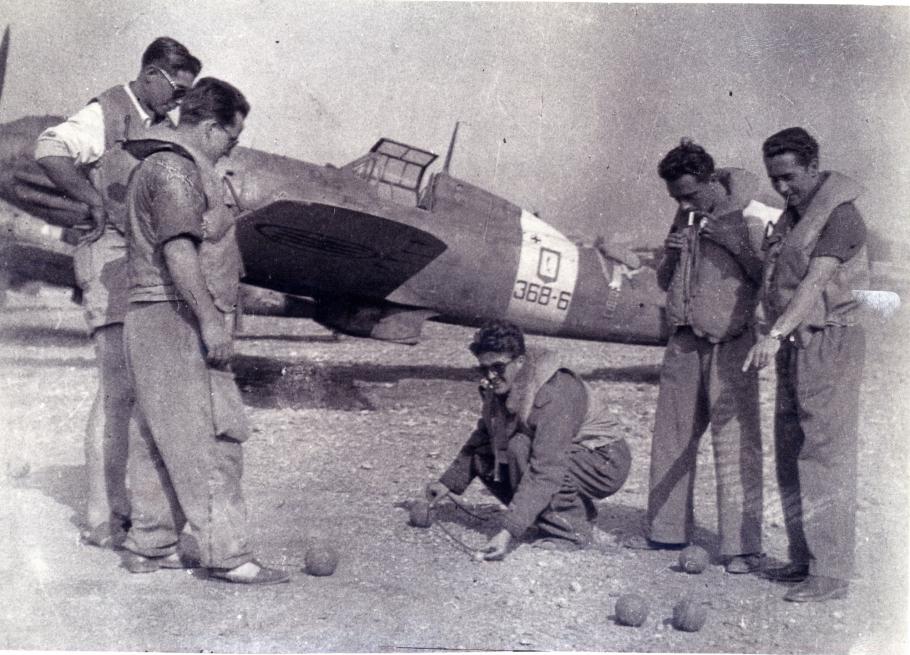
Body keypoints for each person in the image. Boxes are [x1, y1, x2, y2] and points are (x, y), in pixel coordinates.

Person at [118, 77, 287, 584]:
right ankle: (228, 556)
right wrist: (211, 321)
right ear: (212, 127)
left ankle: (150, 545)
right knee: (213, 438)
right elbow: (179, 251)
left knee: (155, 435)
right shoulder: (174, 169)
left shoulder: (156, 165)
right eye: (231, 138)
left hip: (150, 318)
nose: (232, 147)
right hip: (176, 318)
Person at [34, 38, 202, 548]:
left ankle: (125, 505)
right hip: (107, 260)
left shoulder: (158, 124)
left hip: (140, 266)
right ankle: (101, 516)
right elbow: (49, 149)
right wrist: (91, 200)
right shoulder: (105, 111)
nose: (178, 101)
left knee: (136, 392)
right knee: (115, 390)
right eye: (175, 89)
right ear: (151, 74)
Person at [624, 139, 768, 575]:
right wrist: (671, 253)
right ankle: (667, 530)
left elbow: (769, 276)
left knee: (736, 441)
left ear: (710, 179)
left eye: (690, 194)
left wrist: (729, 242)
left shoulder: (751, 216)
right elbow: (667, 281)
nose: (684, 203)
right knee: (672, 437)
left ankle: (741, 547)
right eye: (676, 197)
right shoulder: (684, 214)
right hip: (684, 340)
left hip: (732, 341)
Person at [744, 127, 869, 602]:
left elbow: (815, 283)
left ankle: (831, 573)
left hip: (829, 343)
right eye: (774, 179)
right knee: (790, 449)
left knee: (824, 456)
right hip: (794, 342)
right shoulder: (792, 216)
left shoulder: (841, 217)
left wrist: (773, 335)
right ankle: (803, 559)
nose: (782, 188)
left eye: (790, 177)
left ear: (814, 167)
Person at [425, 320, 631, 559]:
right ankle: (557, 513)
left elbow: (547, 468)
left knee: (520, 449)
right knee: (491, 453)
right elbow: (484, 436)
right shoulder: (503, 384)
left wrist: (508, 530)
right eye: (484, 368)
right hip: (570, 454)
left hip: (605, 459)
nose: (491, 375)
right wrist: (447, 483)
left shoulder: (554, 392)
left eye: (498, 367)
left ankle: (571, 531)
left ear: (520, 361)